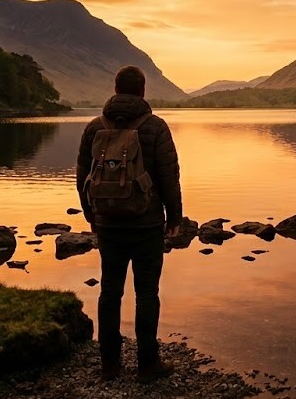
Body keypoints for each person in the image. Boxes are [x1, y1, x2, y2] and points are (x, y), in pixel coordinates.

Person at [76, 65, 183, 383]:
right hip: (147, 224)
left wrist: (91, 215)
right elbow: (168, 176)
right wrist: (174, 218)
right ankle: (147, 365)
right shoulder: (156, 127)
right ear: (143, 91)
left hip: (108, 222)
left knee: (109, 293)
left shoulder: (95, 127)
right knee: (147, 293)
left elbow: (82, 177)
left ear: (115, 88)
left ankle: (109, 365)